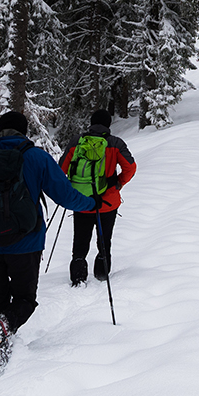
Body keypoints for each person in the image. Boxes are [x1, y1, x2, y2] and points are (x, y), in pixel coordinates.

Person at [0, 110, 100, 354]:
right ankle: (2, 327)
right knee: (24, 300)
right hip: (26, 242)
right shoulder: (35, 157)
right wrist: (91, 204)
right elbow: (65, 195)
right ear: (24, 131)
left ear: (0, 131)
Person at [59, 109, 136, 287]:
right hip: (107, 202)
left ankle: (78, 275)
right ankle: (102, 271)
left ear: (91, 123)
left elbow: (61, 168)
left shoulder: (76, 142)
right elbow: (130, 167)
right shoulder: (116, 143)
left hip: (81, 200)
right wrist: (117, 184)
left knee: (80, 237)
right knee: (104, 237)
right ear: (108, 124)